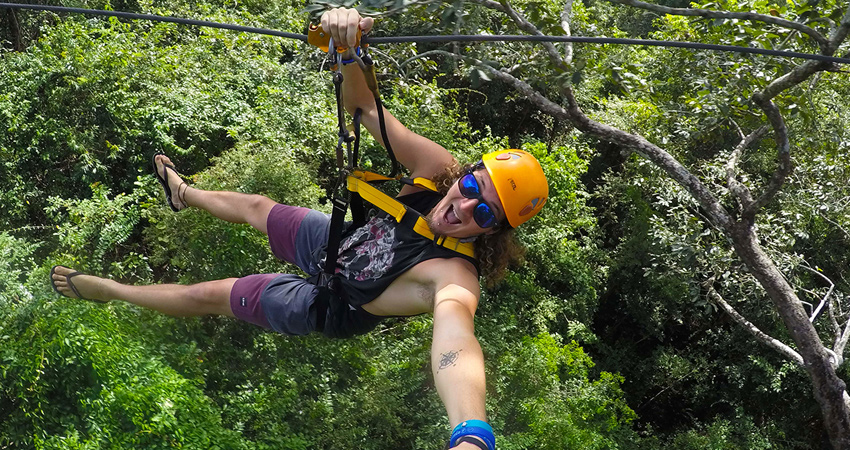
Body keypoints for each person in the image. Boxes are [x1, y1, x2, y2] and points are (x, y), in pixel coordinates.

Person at [50, 7, 548, 450]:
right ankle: (184, 195)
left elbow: (456, 343)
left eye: (482, 213)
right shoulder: (435, 170)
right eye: (470, 184)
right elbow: (364, 108)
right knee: (257, 206)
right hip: (342, 244)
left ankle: (113, 291)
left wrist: (471, 432)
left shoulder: (454, 278)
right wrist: (350, 47)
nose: (462, 203)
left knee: (212, 294)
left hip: (331, 302)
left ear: (492, 233)